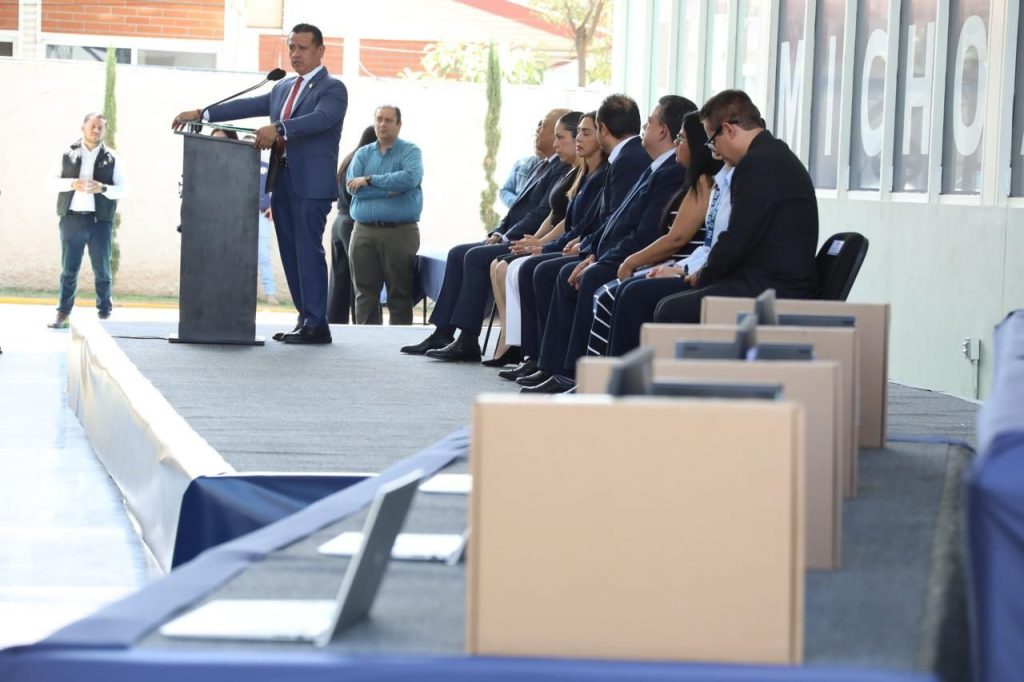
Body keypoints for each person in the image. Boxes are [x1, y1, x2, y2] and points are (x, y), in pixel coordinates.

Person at [173, 23, 347, 345]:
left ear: (320, 50)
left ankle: (317, 323)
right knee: (290, 253)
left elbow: (320, 119)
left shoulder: (333, 89)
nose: (295, 53)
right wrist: (202, 113)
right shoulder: (283, 87)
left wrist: (279, 128)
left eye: (303, 48)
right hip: (282, 182)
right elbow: (248, 105)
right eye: (291, 47)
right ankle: (305, 319)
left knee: (307, 251)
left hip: (310, 185)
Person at [520, 95, 696, 393]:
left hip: (637, 255)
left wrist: (601, 256)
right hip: (619, 250)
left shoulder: (661, 168)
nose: (644, 128)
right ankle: (553, 366)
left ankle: (575, 374)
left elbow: (647, 231)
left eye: (649, 122)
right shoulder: (653, 165)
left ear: (663, 131)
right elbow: (614, 219)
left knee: (579, 275)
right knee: (553, 270)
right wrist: (593, 251)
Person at [399, 108, 571, 361]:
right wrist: (498, 231)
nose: (537, 131)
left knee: (476, 257)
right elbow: (516, 210)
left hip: (527, 240)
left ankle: (468, 339)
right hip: (512, 235)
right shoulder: (541, 165)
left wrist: (506, 237)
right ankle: (442, 332)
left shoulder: (561, 169)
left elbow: (541, 213)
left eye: (543, 126)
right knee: (458, 253)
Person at [500, 94, 648, 381]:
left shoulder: (627, 160)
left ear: (603, 129)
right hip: (598, 246)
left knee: (550, 271)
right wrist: (560, 244)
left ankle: (564, 370)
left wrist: (589, 250)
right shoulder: (616, 161)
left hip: (615, 252)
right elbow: (595, 220)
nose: (579, 138)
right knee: (535, 267)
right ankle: (542, 360)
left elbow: (619, 221)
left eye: (586, 132)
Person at [653, 89, 819, 324]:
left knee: (670, 309)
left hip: (773, 288)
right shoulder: (773, 153)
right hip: (773, 280)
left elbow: (737, 238)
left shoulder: (755, 165)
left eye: (713, 141)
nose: (716, 152)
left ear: (728, 129)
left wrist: (703, 274)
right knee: (666, 300)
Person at [587, 111, 726, 356]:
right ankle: (598, 370)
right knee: (610, 291)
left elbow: (676, 239)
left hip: (686, 268)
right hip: (682, 265)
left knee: (620, 293)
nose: (676, 144)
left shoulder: (705, 183)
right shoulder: (694, 182)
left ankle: (615, 372)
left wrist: (632, 262)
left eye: (681, 139)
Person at [485, 111, 584, 366]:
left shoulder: (584, 173)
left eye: (561, 137)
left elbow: (570, 221)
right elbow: (553, 215)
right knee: (500, 264)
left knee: (518, 267)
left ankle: (528, 349)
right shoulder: (570, 172)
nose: (555, 144)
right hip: (556, 240)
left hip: (569, 244)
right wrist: (535, 240)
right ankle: (511, 338)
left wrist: (541, 244)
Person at [48, 112, 128, 329]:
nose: (96, 130)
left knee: (102, 270)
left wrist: (103, 188)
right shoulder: (66, 154)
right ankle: (63, 313)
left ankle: (104, 312)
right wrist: (71, 183)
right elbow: (51, 182)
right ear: (83, 127)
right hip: (71, 219)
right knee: (68, 270)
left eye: (100, 127)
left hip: (100, 222)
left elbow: (124, 189)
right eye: (92, 126)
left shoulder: (113, 157)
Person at [347, 105, 424, 325]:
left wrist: (370, 180)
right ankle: (367, 340)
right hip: (363, 232)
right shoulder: (363, 153)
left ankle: (399, 341)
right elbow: (351, 187)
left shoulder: (410, 151)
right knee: (364, 294)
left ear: (399, 125)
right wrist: (390, 190)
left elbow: (409, 179)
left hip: (399, 232)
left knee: (400, 293)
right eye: (379, 119)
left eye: (389, 120)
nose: (383, 124)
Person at [222, 129, 278, 305]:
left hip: (261, 215)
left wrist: (273, 207)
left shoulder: (266, 167)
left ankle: (270, 293)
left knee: (263, 255)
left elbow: (275, 189)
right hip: (238, 216)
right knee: (235, 254)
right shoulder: (233, 168)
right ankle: (236, 291)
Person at [328, 125, 377, 324]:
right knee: (361, 281)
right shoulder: (364, 162)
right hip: (352, 223)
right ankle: (362, 326)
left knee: (339, 280)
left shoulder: (349, 158)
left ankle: (334, 323)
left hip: (339, 221)